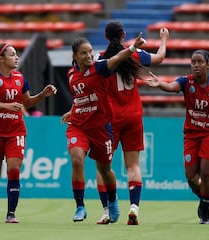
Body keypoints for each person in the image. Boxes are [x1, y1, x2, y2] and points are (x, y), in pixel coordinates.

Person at [146, 49, 209, 224]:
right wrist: (160, 83)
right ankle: (205, 198)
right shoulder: (186, 81)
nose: (196, 65)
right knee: (191, 177)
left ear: (207, 64)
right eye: (193, 62)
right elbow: (171, 86)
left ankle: (205, 211)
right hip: (191, 134)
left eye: (200, 62)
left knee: (206, 173)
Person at [61, 34, 146, 223]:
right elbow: (80, 97)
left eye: (90, 51)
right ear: (74, 56)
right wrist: (73, 110)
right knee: (76, 160)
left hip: (101, 127)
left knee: (105, 169)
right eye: (84, 53)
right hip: (78, 126)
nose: (89, 55)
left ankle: (113, 200)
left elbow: (116, 58)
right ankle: (80, 206)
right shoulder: (70, 74)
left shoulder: (99, 68)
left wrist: (132, 48)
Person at [0, 43, 57, 223]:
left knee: (14, 169)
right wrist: (6, 106)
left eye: (17, 54)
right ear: (1, 59)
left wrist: (41, 95)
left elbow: (27, 102)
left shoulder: (20, 78)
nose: (16, 58)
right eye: (12, 55)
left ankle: (11, 214)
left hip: (16, 131)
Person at [94, 21, 170, 225]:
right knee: (133, 165)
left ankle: (106, 210)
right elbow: (160, 57)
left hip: (110, 118)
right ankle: (134, 208)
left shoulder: (101, 59)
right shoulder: (135, 54)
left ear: (106, 36)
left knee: (103, 168)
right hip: (133, 115)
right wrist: (163, 39)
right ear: (123, 35)